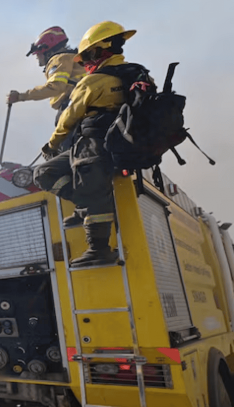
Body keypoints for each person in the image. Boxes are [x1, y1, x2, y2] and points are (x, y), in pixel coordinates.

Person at [33, 21, 142, 267]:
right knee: (91, 187)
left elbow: (68, 119)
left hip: (96, 144)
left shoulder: (92, 82)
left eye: (87, 56)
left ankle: (99, 248)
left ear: (96, 51)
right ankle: (88, 206)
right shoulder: (140, 74)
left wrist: (50, 146)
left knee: (47, 173)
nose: (84, 63)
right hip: (129, 143)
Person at [7, 26, 86, 121]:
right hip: (83, 101)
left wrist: (21, 96)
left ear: (47, 50)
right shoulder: (74, 59)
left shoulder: (59, 59)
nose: (37, 57)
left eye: (38, 53)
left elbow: (55, 87)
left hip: (74, 105)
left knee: (62, 134)